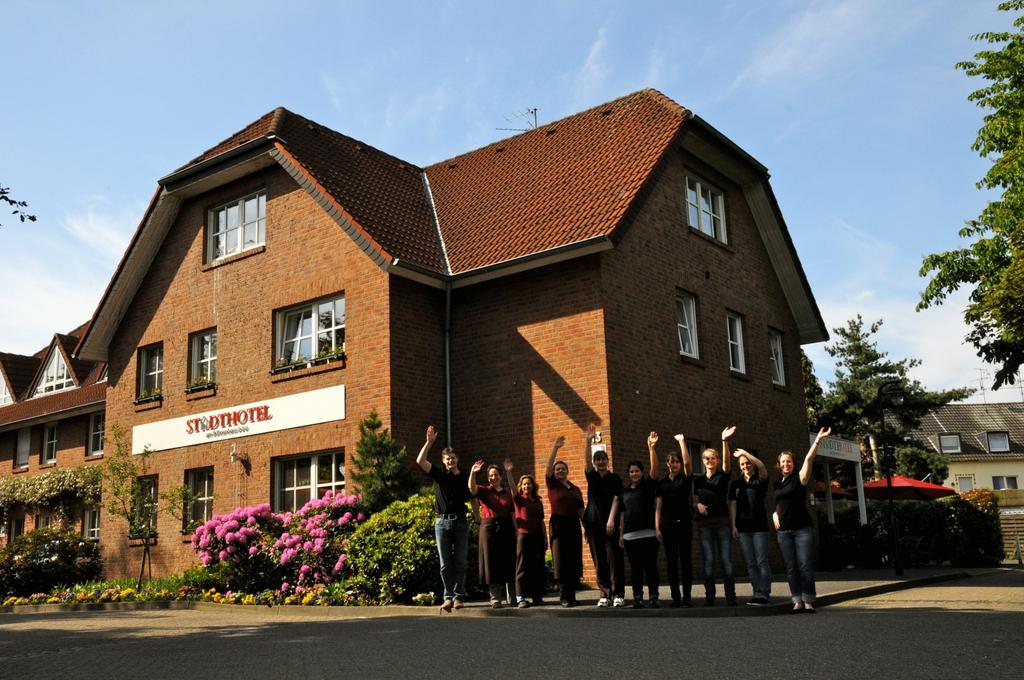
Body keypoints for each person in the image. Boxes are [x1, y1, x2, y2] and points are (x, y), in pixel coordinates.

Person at [775, 426, 831, 613]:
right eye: (783, 462)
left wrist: (818, 441)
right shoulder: (778, 483)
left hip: (802, 529)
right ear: (779, 465)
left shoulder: (800, 478)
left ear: (793, 463)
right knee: (791, 568)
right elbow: (780, 503)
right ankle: (797, 600)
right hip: (783, 532)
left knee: (805, 565)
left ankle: (808, 600)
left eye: (789, 461)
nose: (786, 464)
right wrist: (775, 513)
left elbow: (809, 459)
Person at [416, 425, 471, 612]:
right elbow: (420, 460)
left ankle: (458, 597)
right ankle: (448, 597)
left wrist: (478, 521)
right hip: (442, 522)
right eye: (447, 459)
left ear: (457, 460)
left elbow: (474, 497)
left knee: (461, 562)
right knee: (445, 563)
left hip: (461, 522)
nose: (450, 461)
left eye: (453, 458)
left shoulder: (464, 477)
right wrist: (429, 442)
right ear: (443, 460)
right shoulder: (439, 474)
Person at [692, 425, 737, 606]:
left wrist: (724, 441)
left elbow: (728, 464)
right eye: (707, 458)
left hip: (723, 524)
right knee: (709, 561)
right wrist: (697, 505)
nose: (710, 460)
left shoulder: (723, 476)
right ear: (703, 461)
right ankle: (710, 597)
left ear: (717, 460)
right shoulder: (698, 481)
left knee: (726, 560)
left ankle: (730, 596)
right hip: (705, 526)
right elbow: (694, 500)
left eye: (713, 458)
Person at [583, 423, 625, 608]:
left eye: (603, 459)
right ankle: (605, 594)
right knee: (599, 559)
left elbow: (617, 499)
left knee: (614, 558)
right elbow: (585, 461)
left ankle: (618, 594)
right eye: (597, 459)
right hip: (593, 524)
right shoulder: (592, 476)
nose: (600, 462)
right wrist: (588, 440)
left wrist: (611, 519)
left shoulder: (614, 478)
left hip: (610, 524)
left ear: (607, 461)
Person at [618, 433, 661, 608]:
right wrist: (621, 534)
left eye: (636, 471)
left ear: (641, 472)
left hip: (649, 533)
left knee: (650, 567)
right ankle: (638, 597)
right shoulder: (625, 491)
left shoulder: (648, 486)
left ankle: (654, 596)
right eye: (631, 471)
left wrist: (651, 448)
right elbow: (622, 514)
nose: (634, 474)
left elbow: (655, 470)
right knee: (635, 569)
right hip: (629, 536)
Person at [651, 432, 694, 607]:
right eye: (672, 462)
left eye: (676, 462)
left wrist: (682, 441)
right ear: (668, 464)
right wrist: (657, 528)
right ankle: (676, 598)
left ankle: (687, 598)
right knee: (671, 563)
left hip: (684, 525)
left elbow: (688, 463)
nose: (675, 464)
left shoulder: (685, 480)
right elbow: (658, 506)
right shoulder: (662, 483)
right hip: (667, 526)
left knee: (685, 562)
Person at [469, 460, 516, 608]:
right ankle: (495, 597)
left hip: (506, 527)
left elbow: (513, 512)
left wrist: (516, 530)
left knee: (509, 562)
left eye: (495, 475)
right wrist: (473, 473)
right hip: (488, 529)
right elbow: (471, 489)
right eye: (490, 475)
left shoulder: (507, 493)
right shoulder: (484, 490)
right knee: (491, 563)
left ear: (500, 477)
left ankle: (513, 597)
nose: (493, 477)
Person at [545, 435, 585, 607]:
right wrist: (555, 448)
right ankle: (564, 596)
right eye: (557, 469)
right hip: (558, 524)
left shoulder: (575, 489)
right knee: (561, 560)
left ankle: (572, 595)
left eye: (563, 469)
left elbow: (581, 510)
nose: (560, 471)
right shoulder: (552, 484)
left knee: (574, 559)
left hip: (573, 524)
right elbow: (548, 467)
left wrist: (586, 528)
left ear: (567, 471)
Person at [729, 448, 772, 606]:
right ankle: (757, 592)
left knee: (761, 561)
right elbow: (732, 505)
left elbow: (762, 466)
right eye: (742, 464)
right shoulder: (736, 483)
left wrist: (746, 453)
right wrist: (733, 525)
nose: (745, 466)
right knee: (750, 562)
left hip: (760, 528)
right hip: (743, 529)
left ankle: (765, 593)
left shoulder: (760, 480)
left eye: (747, 463)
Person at [504, 459, 546, 608]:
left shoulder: (538, 501)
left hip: (537, 536)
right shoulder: (519, 499)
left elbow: (541, 521)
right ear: (521, 487)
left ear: (533, 486)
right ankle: (520, 597)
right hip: (523, 536)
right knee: (522, 567)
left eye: (529, 483)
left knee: (536, 567)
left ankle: (536, 596)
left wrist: (545, 538)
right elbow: (512, 487)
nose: (527, 486)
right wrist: (509, 472)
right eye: (524, 484)